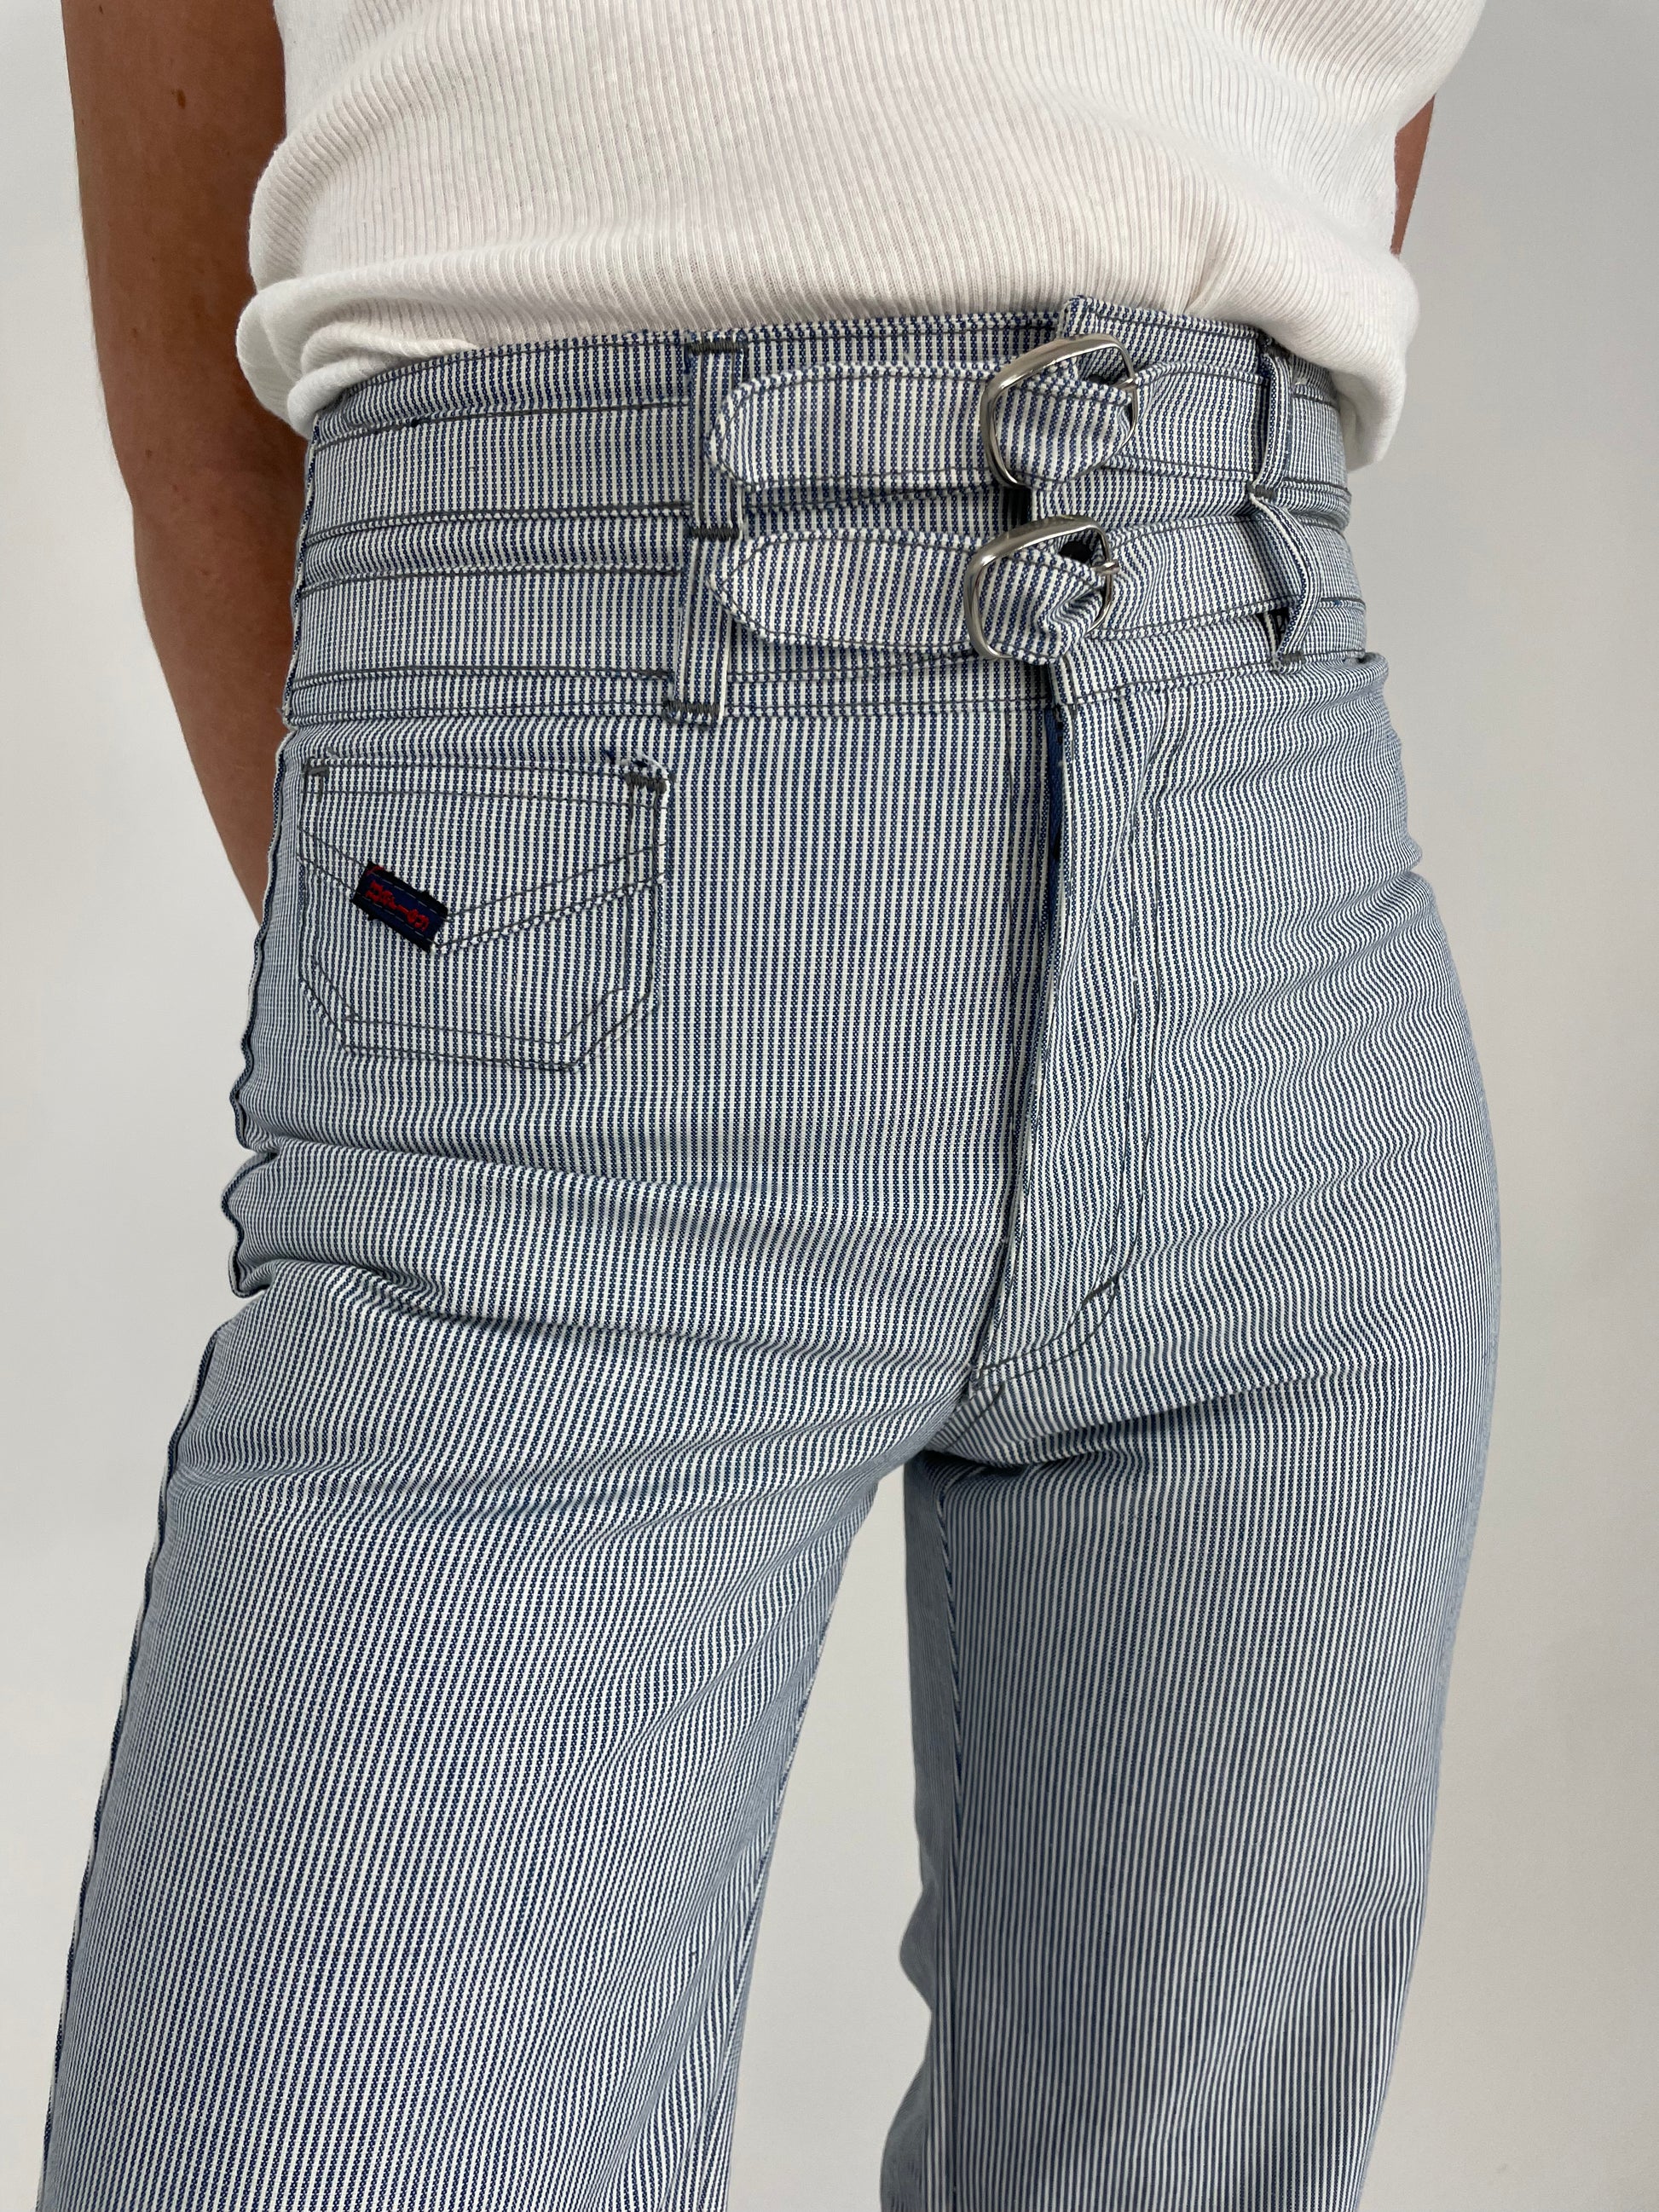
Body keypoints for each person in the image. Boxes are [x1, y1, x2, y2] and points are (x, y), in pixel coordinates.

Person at [39, 3, 1497, 2207]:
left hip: (1279, 944)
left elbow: (1301, 160)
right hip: (559, 934)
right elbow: (204, 427)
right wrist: (458, 950)